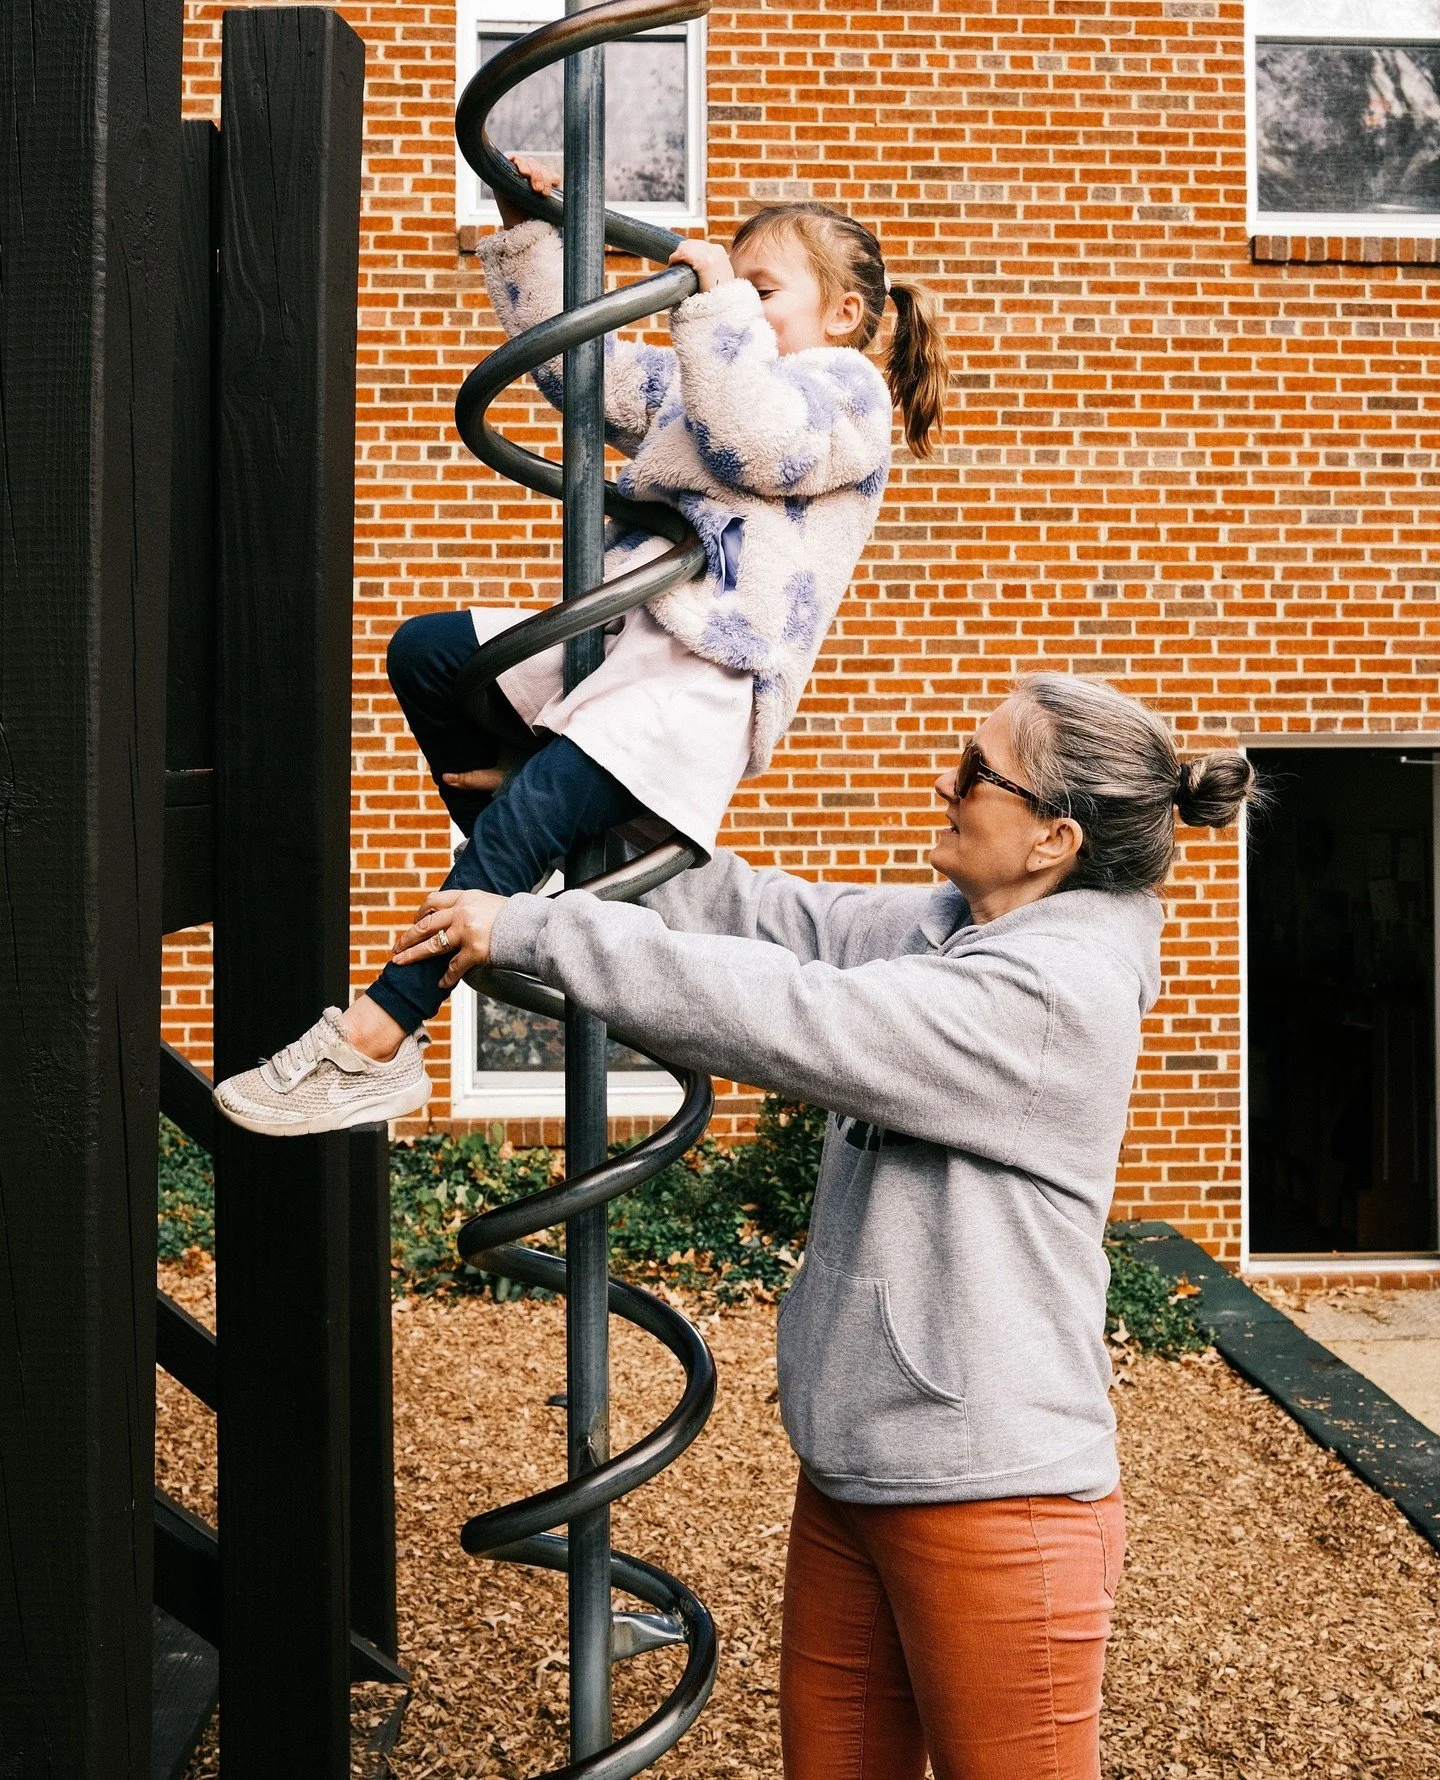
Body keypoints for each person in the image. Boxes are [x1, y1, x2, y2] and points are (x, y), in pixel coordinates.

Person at [380, 672, 1260, 1780]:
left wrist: (537, 930)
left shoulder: (1049, 998)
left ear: (1052, 836)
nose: (946, 780)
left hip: (996, 1496)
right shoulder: (958, 925)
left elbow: (790, 1012)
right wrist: (572, 816)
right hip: (857, 1470)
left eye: (979, 770)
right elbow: (774, 916)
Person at [213, 163, 949, 1135]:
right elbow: (577, 370)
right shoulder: (714, 370)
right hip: (623, 648)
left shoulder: (846, 396)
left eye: (762, 289)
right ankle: (523, 845)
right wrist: (531, 232)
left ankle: (378, 1036)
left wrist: (715, 305)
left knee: (518, 837)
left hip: (701, 679)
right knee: (430, 655)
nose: (730, 299)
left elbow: (754, 441)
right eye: (737, 287)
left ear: (847, 314)